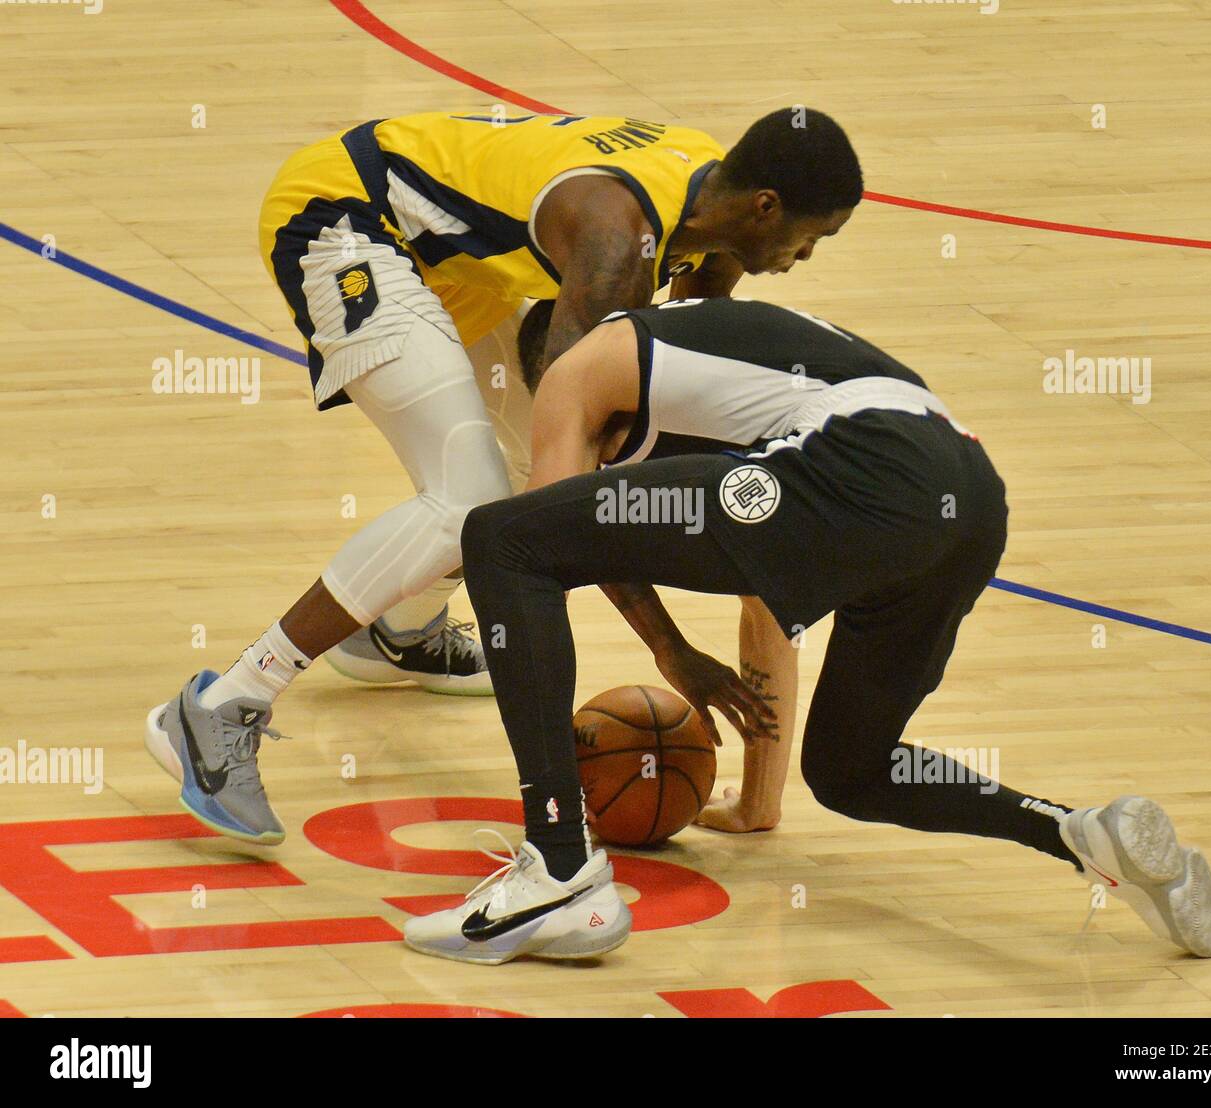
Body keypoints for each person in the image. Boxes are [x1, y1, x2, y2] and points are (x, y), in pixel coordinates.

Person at [402, 296, 1211, 965]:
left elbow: (546, 532)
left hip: (868, 465)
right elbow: (769, 587)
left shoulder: (579, 365)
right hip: (964, 498)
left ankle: (557, 867)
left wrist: (667, 648)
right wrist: (759, 801)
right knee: (850, 768)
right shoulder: (719, 371)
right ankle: (1082, 833)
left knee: (500, 539)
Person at [144, 108, 865, 844]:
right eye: (814, 237)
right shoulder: (616, 238)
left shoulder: (716, 210)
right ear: (764, 207)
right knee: (480, 500)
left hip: (454, 257)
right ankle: (227, 703)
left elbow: (667, 380)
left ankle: (405, 632)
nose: (805, 257)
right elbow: (566, 498)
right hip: (345, 216)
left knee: (524, 465)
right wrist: (669, 647)